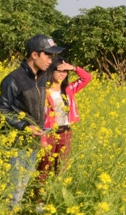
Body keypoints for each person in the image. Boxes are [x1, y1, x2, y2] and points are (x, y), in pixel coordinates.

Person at [0, 34, 64, 215]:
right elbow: (1, 110)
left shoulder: (41, 75)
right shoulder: (13, 80)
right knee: (12, 195)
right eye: (48, 55)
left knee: (20, 193)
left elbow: (61, 68)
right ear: (34, 55)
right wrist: (24, 126)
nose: (52, 61)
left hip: (33, 144)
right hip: (16, 144)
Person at [37, 57, 92, 185]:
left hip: (65, 133)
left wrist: (73, 68)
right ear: (51, 71)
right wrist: (42, 138)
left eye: (64, 71)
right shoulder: (43, 91)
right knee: (44, 167)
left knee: (61, 168)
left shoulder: (68, 89)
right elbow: (38, 115)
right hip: (48, 132)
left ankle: (57, 195)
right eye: (58, 70)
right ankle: (38, 200)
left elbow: (87, 78)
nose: (62, 74)